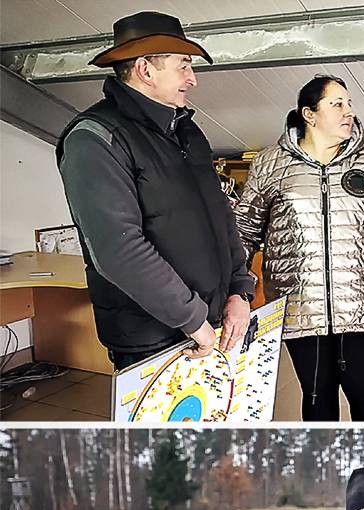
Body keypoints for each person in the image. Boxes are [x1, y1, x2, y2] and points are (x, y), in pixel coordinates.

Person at [55, 11, 256, 371]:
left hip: (208, 321)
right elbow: (119, 249)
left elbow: (221, 214)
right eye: (183, 66)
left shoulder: (186, 131)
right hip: (151, 336)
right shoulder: (96, 138)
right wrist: (193, 319)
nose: (192, 79)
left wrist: (240, 290)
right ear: (146, 69)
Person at [235, 75, 364, 421]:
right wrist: (235, 291)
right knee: (317, 396)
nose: (348, 111)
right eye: (337, 104)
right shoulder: (270, 164)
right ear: (309, 114)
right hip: (300, 307)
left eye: (349, 104)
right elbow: (243, 230)